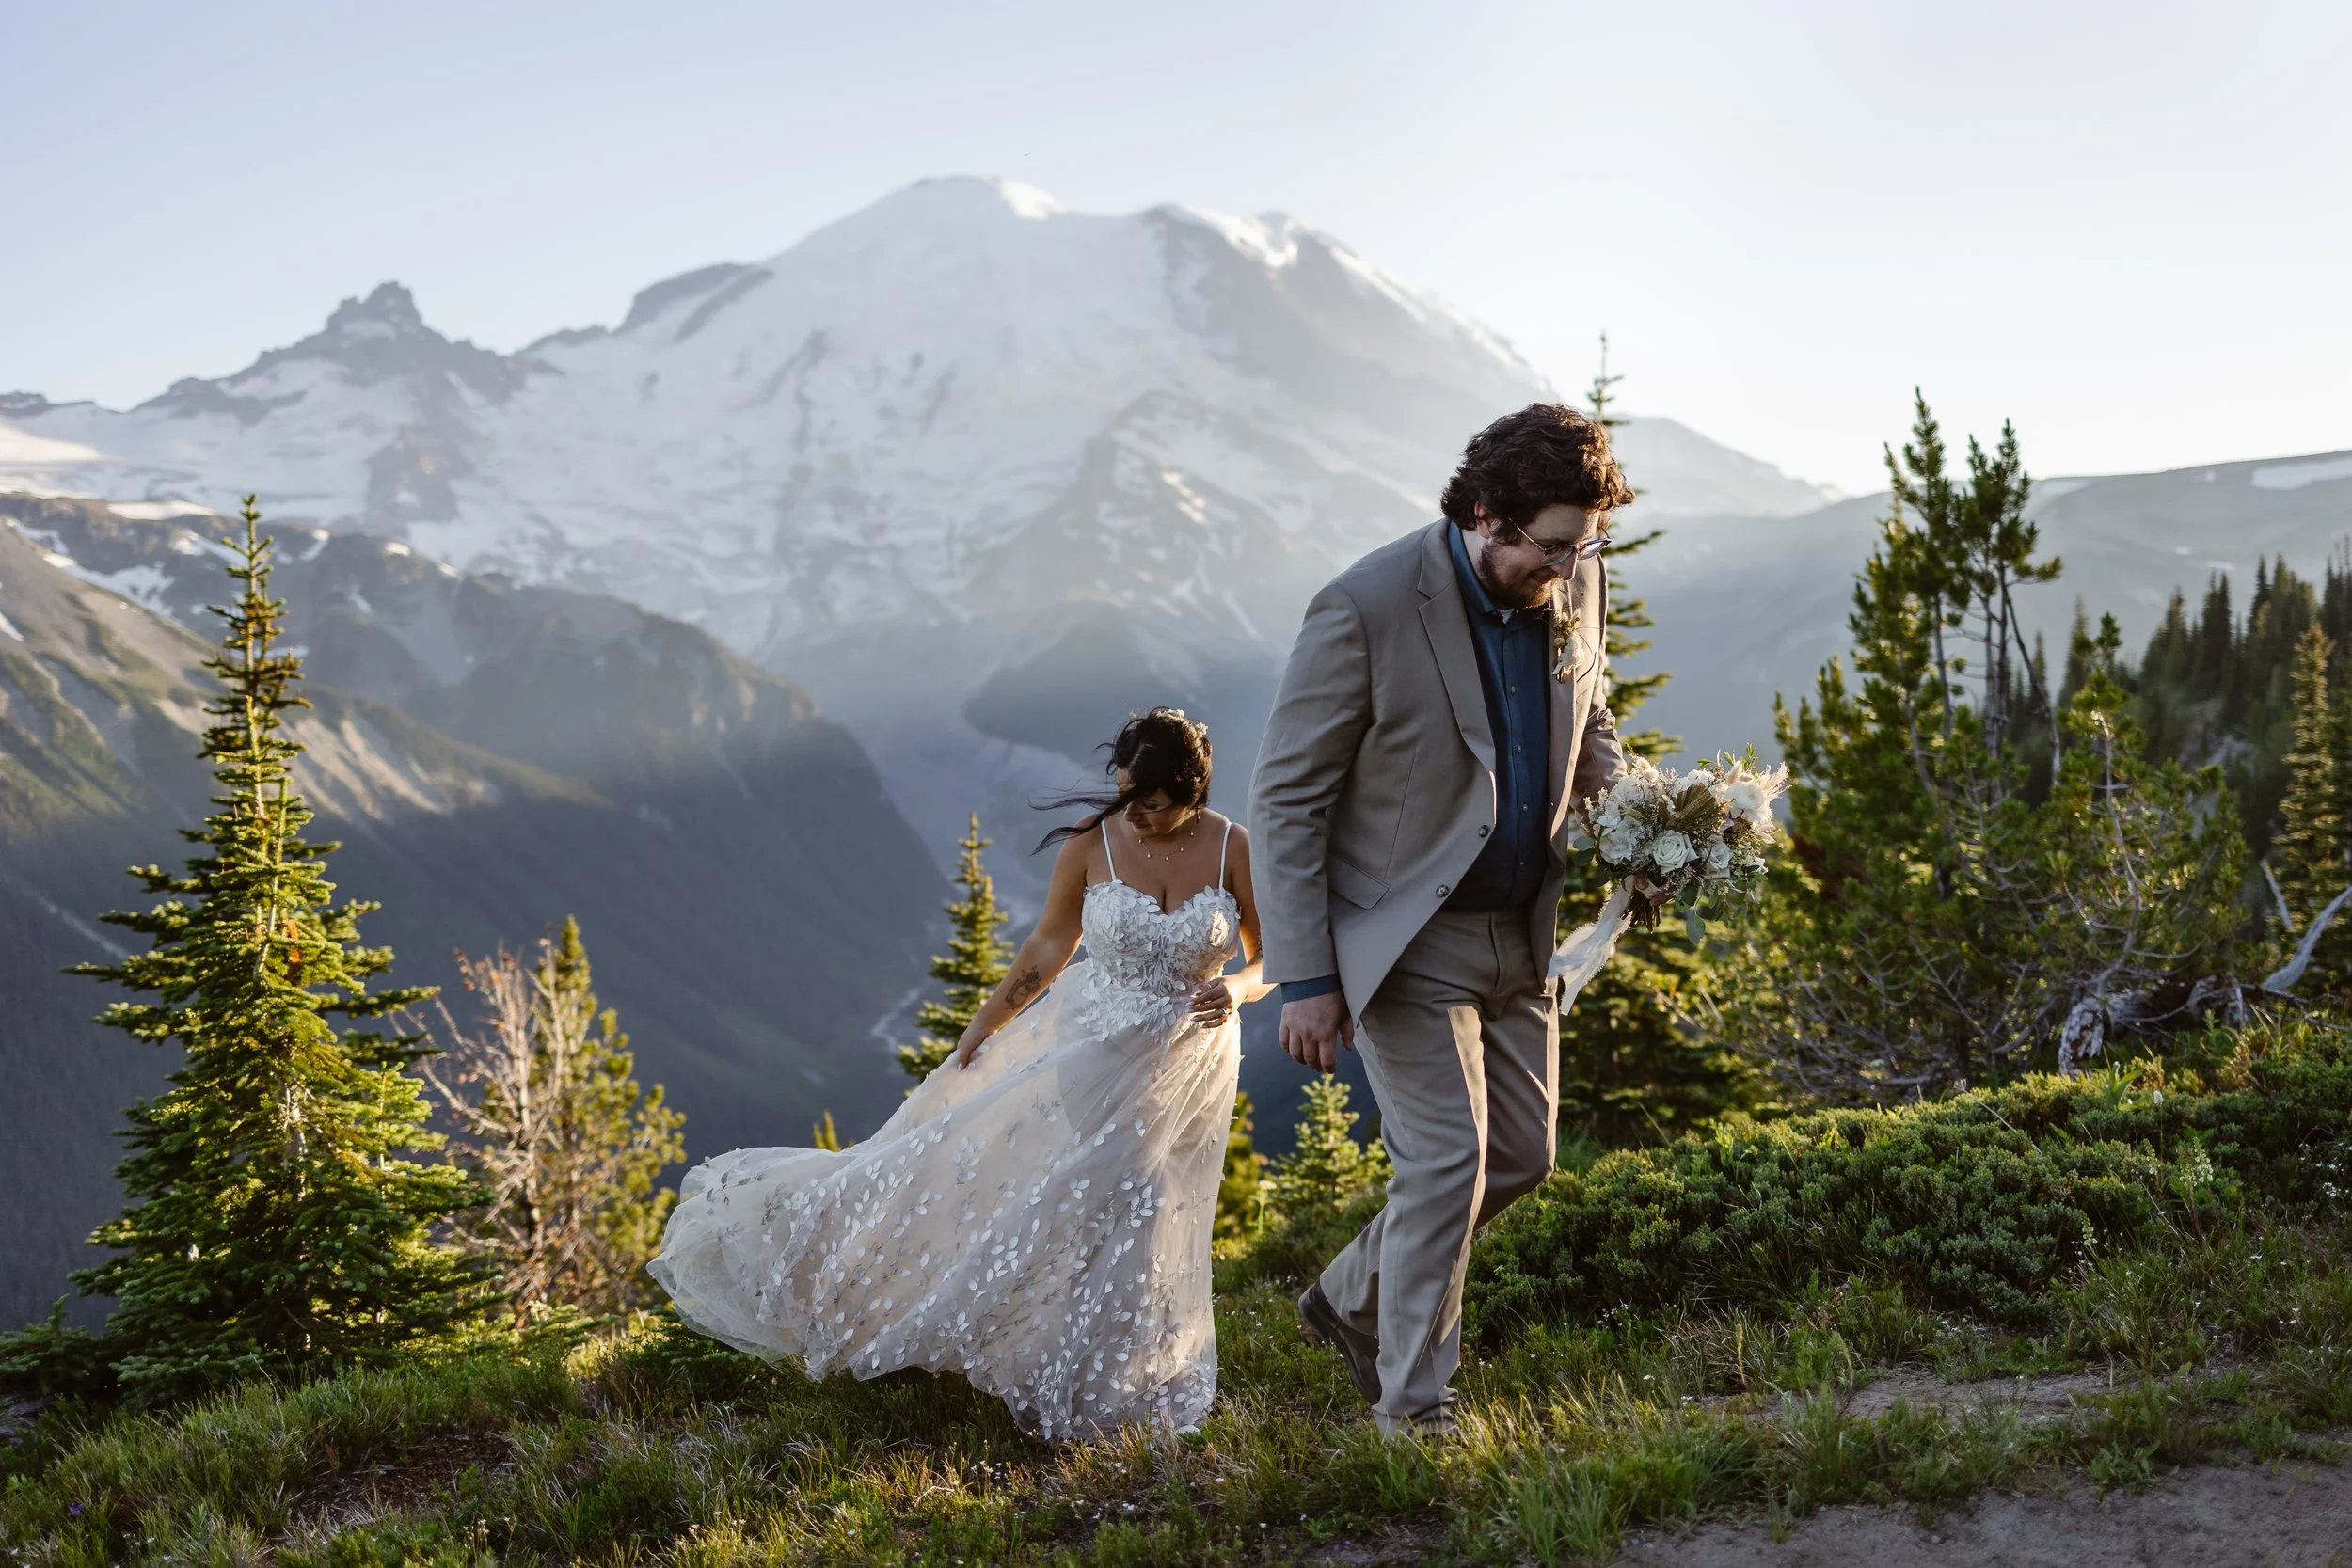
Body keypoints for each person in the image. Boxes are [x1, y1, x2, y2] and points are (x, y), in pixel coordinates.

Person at [648, 708, 1265, 1440]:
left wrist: (1240, 986)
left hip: (1195, 1057)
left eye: (1150, 799)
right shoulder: (1091, 843)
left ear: (1189, 788)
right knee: (1130, 1193)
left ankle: (1139, 1369)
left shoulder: (1232, 844)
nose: (1133, 810)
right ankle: (1104, 1391)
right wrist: (983, 1026)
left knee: (1166, 1206)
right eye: (1124, 791)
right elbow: (1046, 947)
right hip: (1100, 1048)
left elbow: (1272, 955)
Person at [1248, 404, 1636, 1438]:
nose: (1568, 565)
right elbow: (1287, 799)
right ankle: (1412, 1409)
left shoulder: (1575, 576)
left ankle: (1345, 1296)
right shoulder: (1364, 607)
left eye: (1582, 543)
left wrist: (1642, 819)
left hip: (1525, 926)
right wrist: (1304, 976)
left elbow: (1588, 718)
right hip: (1401, 936)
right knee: (1446, 1163)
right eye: (1552, 545)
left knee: (1521, 1158)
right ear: (1482, 514)